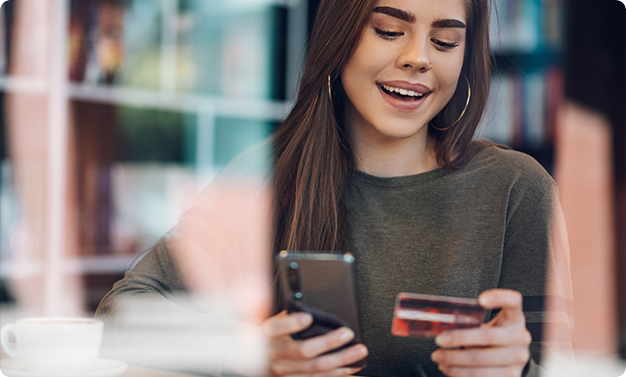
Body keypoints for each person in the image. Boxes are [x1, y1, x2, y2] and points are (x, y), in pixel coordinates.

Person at [96, 0, 575, 376]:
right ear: (339, 37)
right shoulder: (265, 175)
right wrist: (250, 350)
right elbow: (124, 313)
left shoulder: (516, 189)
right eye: (389, 31)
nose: (418, 58)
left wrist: (516, 370)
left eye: (446, 41)